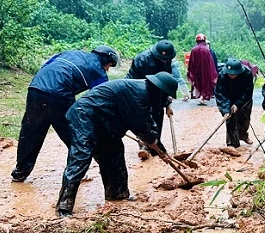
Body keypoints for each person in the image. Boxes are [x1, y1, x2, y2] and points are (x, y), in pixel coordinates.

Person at [55, 72, 178, 217]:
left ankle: (117, 194)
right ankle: (64, 207)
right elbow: (141, 126)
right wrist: (152, 142)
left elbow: (148, 121)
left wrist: (158, 146)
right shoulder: (138, 94)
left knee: (114, 154)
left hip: (105, 121)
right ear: (159, 91)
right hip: (86, 116)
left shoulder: (147, 92)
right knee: (81, 157)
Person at [11, 46, 118, 183]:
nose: (108, 69)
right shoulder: (99, 72)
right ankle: (75, 173)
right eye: (109, 65)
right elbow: (100, 98)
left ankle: (20, 172)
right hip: (59, 95)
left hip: (35, 88)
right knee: (75, 135)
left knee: (31, 132)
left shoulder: (70, 53)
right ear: (106, 59)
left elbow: (46, 66)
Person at [126, 40, 176, 158]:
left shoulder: (167, 60)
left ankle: (155, 144)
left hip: (157, 93)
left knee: (158, 116)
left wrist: (167, 104)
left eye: (166, 59)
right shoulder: (142, 60)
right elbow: (132, 80)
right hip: (140, 91)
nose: (164, 61)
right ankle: (144, 146)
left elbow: (165, 81)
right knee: (143, 118)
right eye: (162, 59)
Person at [214, 58, 254, 147]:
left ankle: (243, 136)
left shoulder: (247, 74)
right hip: (228, 98)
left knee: (244, 119)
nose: (232, 75)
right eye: (230, 73)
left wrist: (238, 104)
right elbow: (220, 93)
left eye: (234, 74)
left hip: (243, 99)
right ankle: (232, 144)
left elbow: (248, 92)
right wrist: (225, 109)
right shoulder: (222, 75)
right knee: (230, 120)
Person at [187, 33, 218, 105]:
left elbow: (191, 61)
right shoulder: (206, 50)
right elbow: (210, 62)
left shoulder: (193, 49)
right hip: (205, 71)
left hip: (196, 71)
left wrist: (190, 70)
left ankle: (201, 97)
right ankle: (202, 97)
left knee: (198, 83)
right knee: (206, 84)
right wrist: (212, 71)